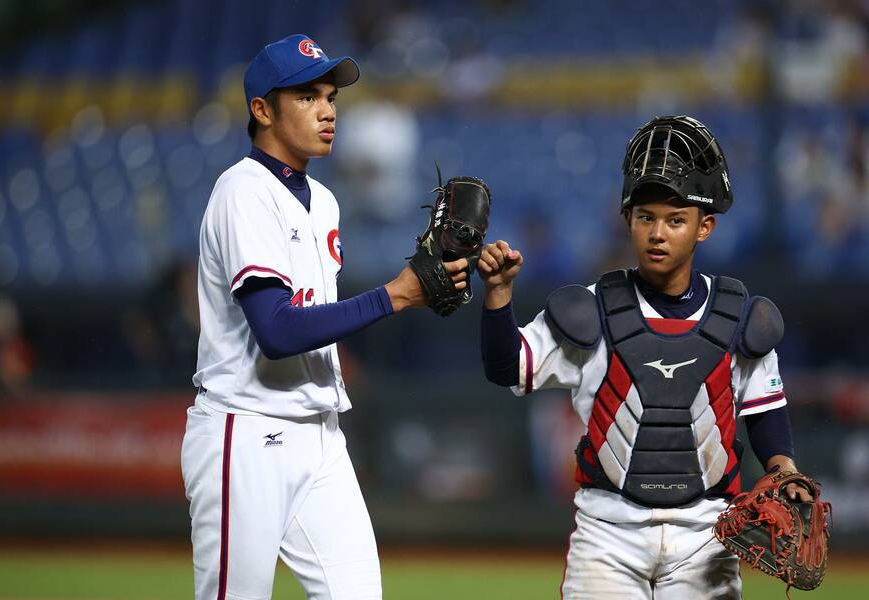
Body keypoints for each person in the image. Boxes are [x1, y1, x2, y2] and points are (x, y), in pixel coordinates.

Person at [181, 34, 467, 600]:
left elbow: (314, 319)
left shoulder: (325, 200)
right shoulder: (243, 191)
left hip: (321, 436)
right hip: (247, 431)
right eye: (307, 96)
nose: (328, 110)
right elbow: (277, 330)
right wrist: (395, 295)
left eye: (331, 97)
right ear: (262, 110)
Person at [477, 115, 811, 599]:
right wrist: (498, 296)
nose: (658, 233)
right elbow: (508, 368)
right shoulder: (589, 310)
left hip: (707, 535)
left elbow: (766, 412)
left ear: (704, 227)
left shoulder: (741, 318)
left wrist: (783, 469)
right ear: (627, 219)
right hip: (608, 532)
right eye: (646, 217)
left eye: (675, 220)